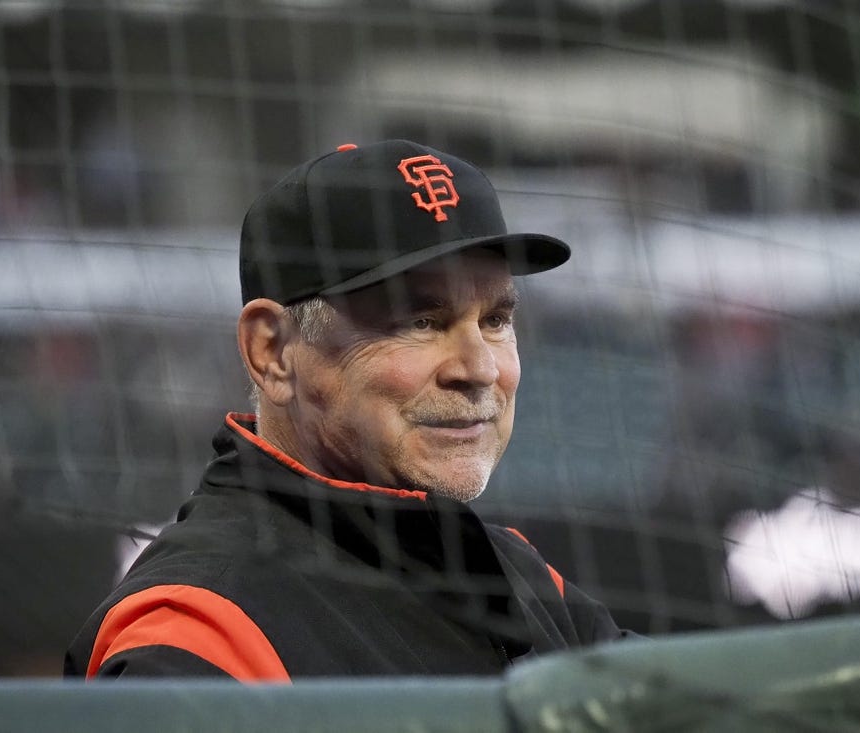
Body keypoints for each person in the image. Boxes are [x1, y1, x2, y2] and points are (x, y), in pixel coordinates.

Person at [64, 139, 628, 680]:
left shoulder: (515, 575)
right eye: (420, 322)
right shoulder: (198, 629)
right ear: (274, 352)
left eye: (495, 321)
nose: (479, 369)